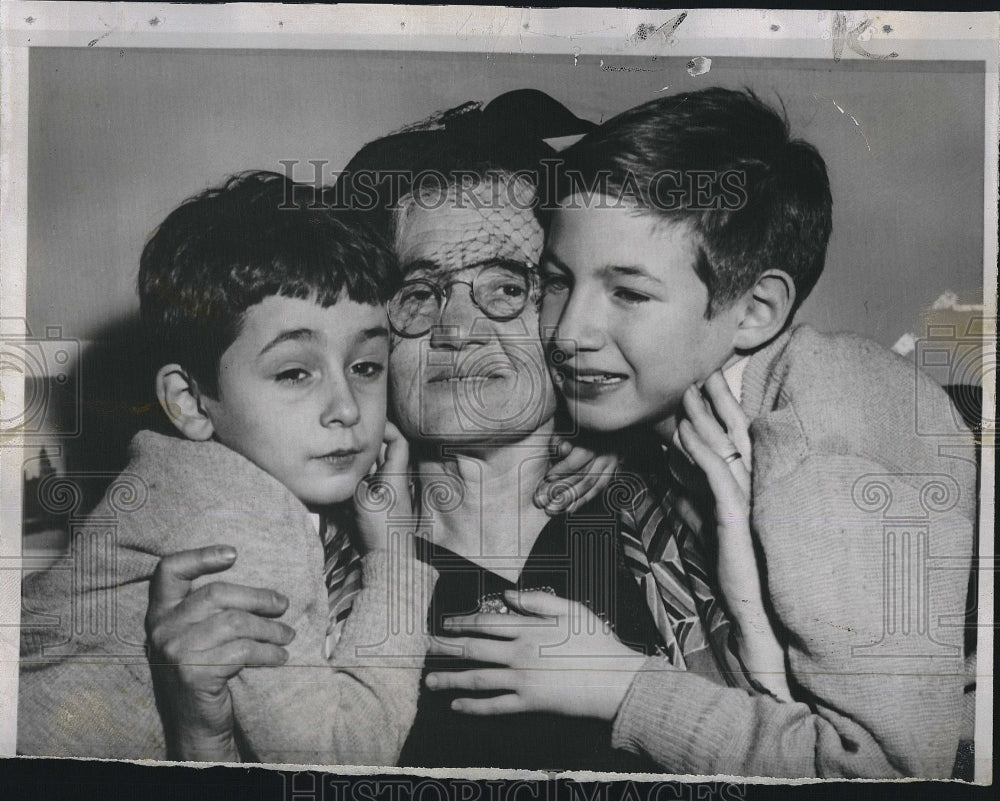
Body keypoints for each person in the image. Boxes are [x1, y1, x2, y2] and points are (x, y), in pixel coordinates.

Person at [422, 87, 977, 778]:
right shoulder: (689, 399)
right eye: (559, 281)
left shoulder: (818, 452)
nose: (568, 333)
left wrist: (621, 685)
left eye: (628, 292)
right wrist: (613, 435)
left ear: (756, 311)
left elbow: (884, 773)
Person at [144, 92, 686, 770]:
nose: (456, 330)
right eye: (418, 292)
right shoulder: (286, 573)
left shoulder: (686, 516)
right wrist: (202, 738)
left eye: (507, 285)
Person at [18, 171, 435, 765]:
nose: (346, 409)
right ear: (189, 402)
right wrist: (394, 554)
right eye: (295, 372)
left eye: (366, 366)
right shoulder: (239, 514)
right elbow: (344, 760)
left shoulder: (186, 472)